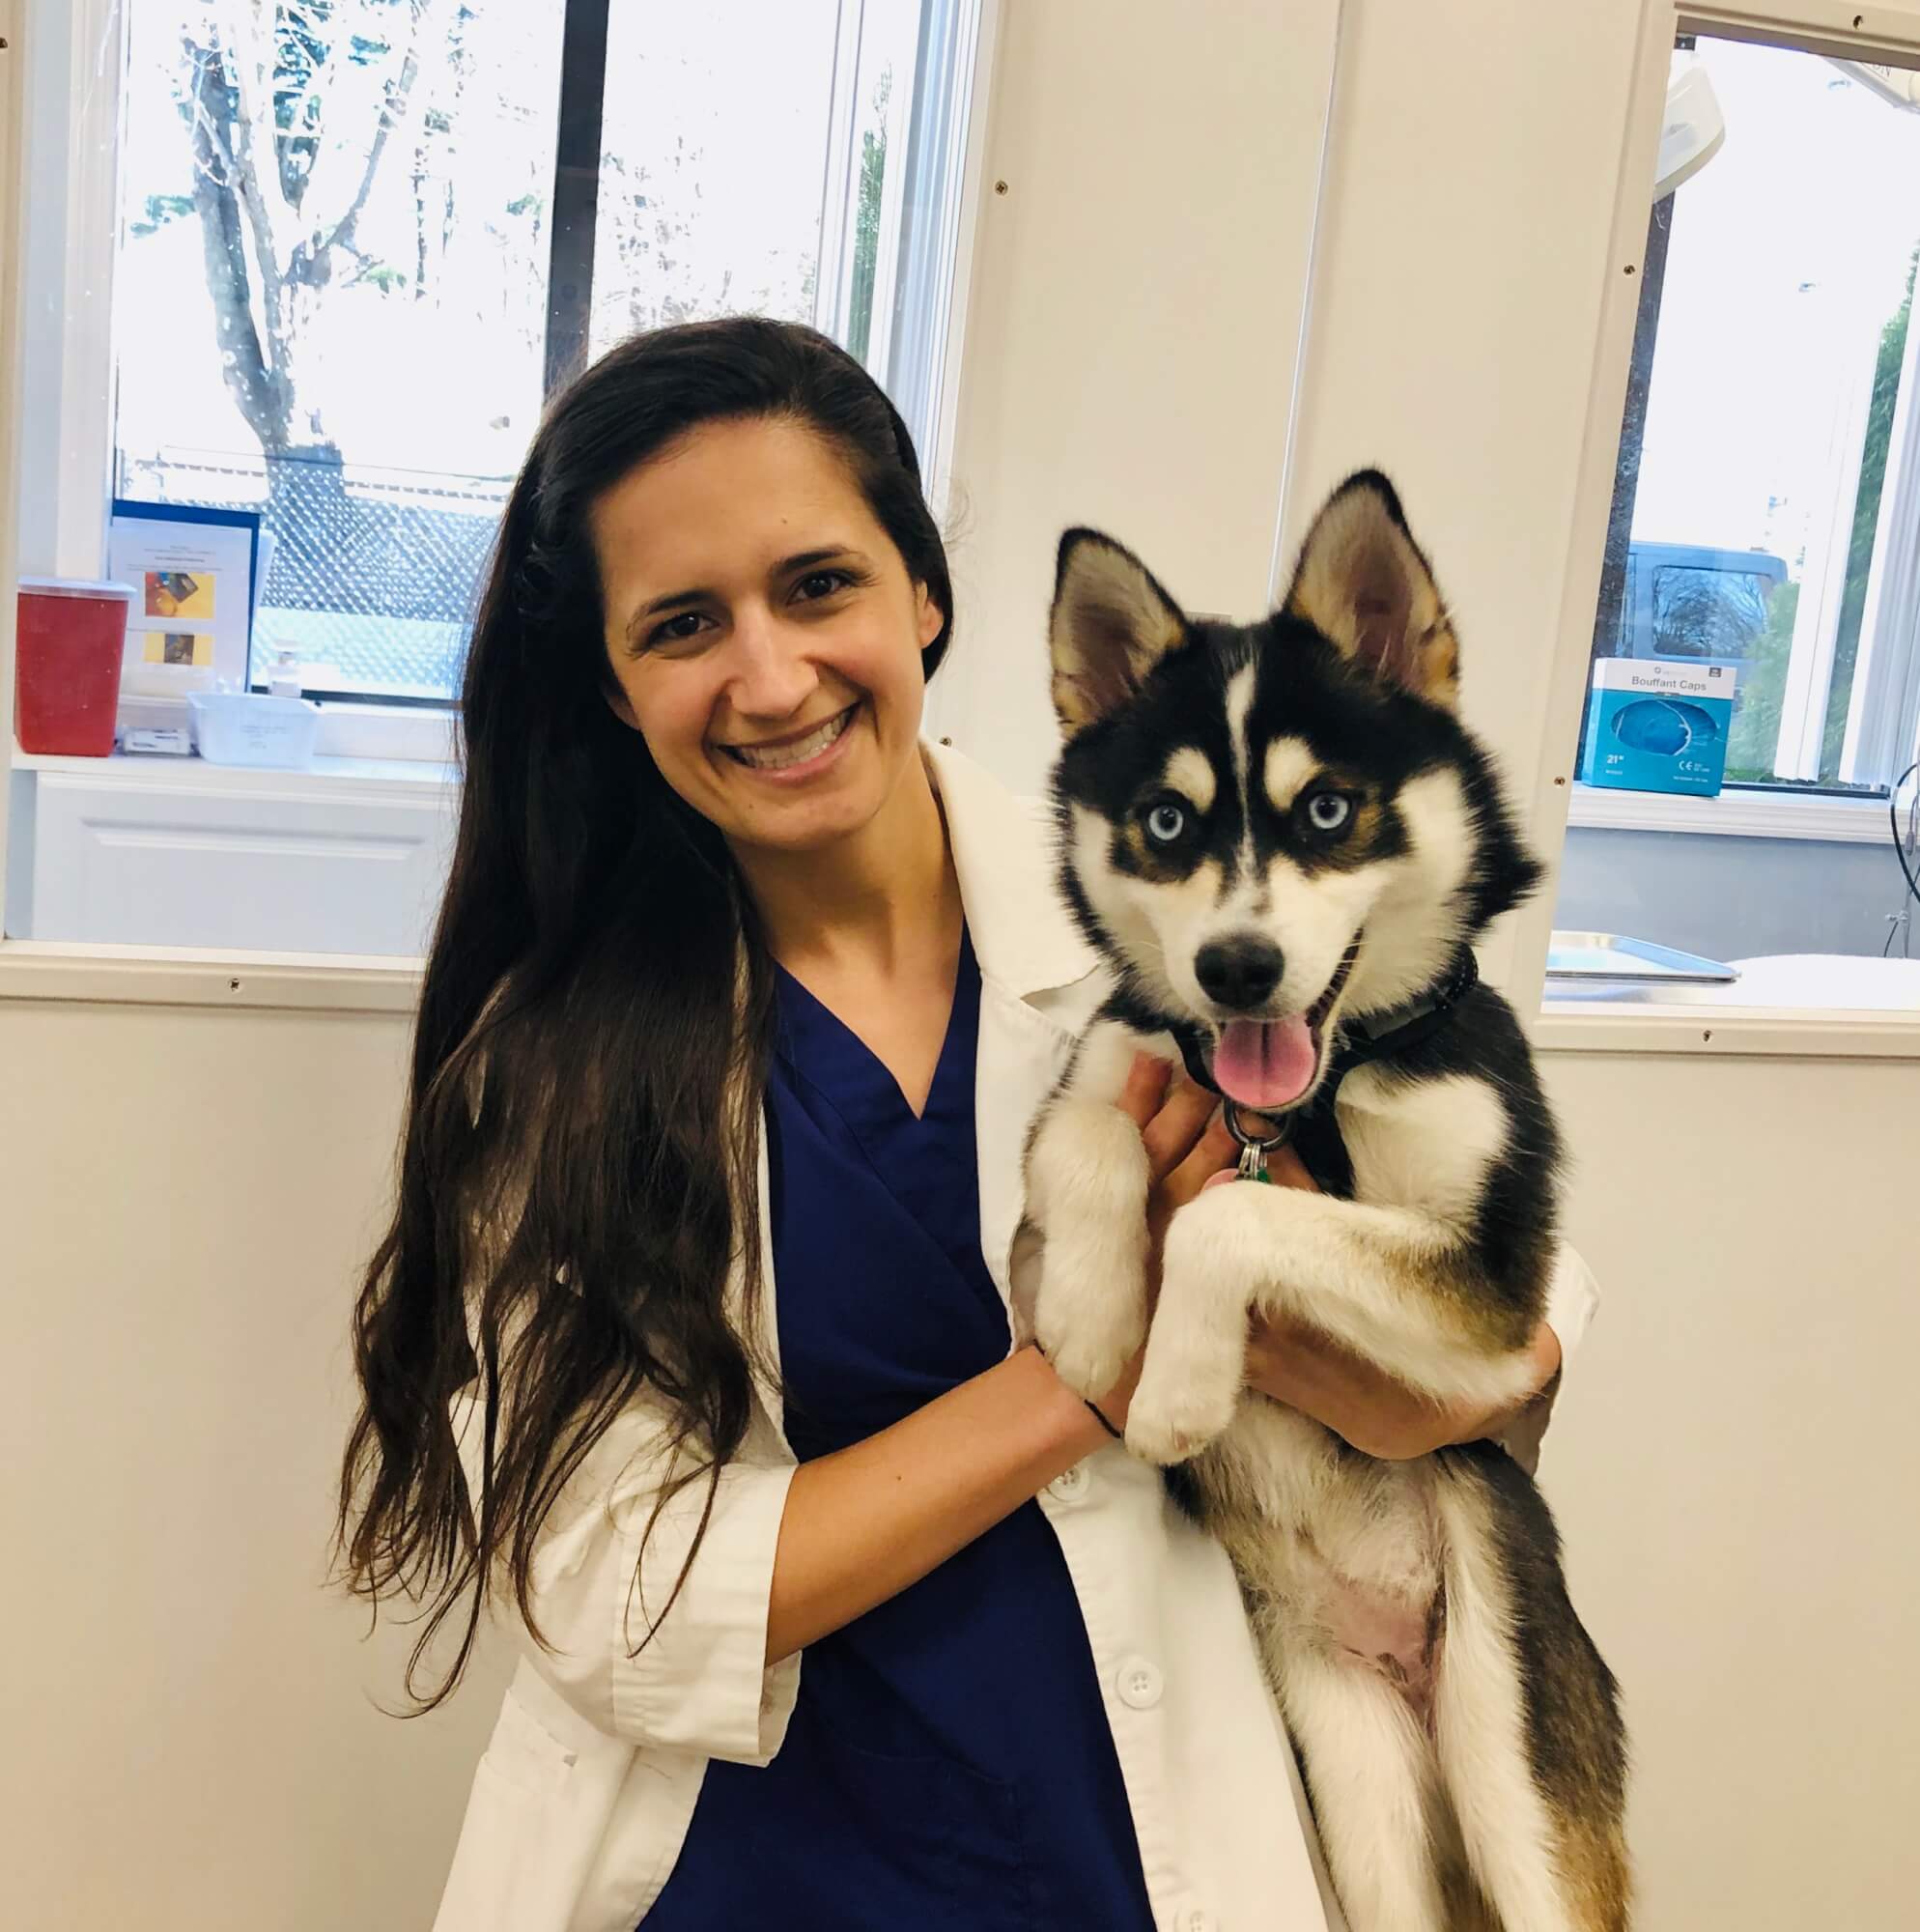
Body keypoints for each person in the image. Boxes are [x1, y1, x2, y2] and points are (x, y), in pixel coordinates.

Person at [337, 316, 1593, 1932]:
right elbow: (614, 1601)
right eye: (683, 624)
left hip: (1148, 1858)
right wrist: (1079, 1383)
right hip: (750, 1879)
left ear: (923, 591)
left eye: (818, 585)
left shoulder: (1189, 938)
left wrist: (1455, 1368)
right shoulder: (557, 1072)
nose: (771, 678)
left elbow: (1513, 1288)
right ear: (613, 683)